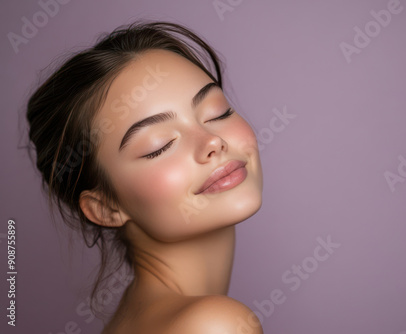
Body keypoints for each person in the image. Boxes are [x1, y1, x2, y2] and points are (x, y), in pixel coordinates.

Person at [25, 20, 264, 333]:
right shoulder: (212, 324)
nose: (212, 142)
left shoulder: (139, 318)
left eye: (217, 112)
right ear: (105, 207)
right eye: (159, 146)